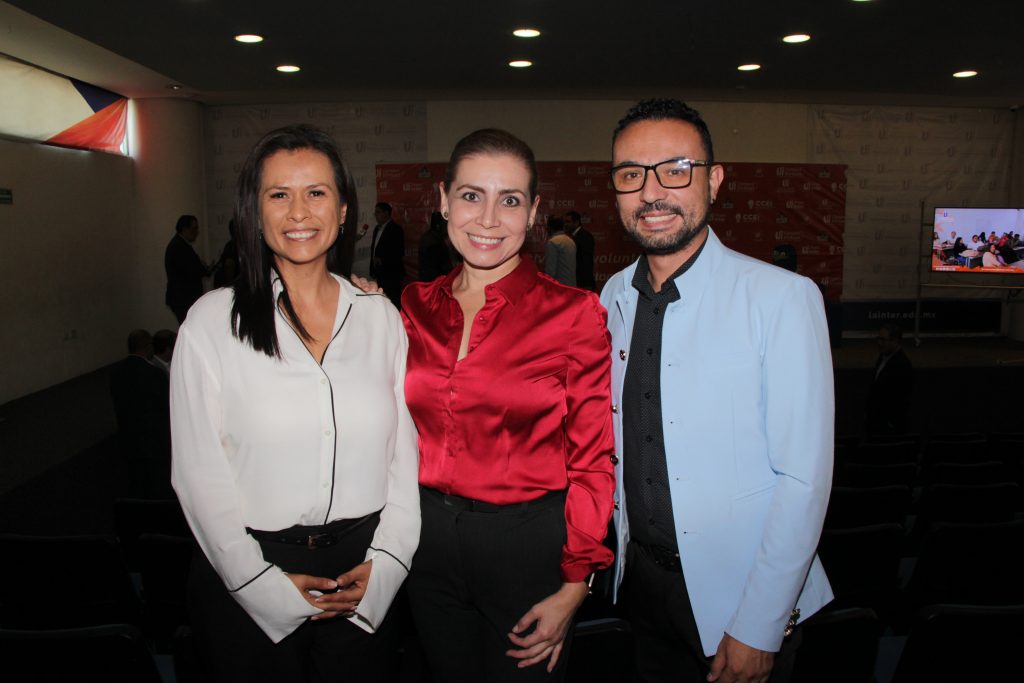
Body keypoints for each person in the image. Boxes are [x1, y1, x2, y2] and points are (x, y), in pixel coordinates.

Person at [170, 125, 420, 682]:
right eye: (278, 194)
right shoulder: (212, 323)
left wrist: (387, 566)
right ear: (253, 211)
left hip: (364, 568)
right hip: (249, 572)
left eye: (317, 192)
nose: (299, 211)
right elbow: (197, 475)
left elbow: (404, 460)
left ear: (343, 206)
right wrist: (260, 584)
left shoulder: (380, 317)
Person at [601, 99, 834, 683]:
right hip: (642, 589)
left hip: (744, 600)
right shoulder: (610, 296)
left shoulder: (781, 298)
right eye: (632, 174)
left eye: (676, 169)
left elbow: (804, 479)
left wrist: (759, 622)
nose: (652, 192)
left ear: (715, 180)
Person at [401, 129, 615, 682]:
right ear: (444, 200)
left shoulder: (574, 313)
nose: (489, 219)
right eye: (472, 196)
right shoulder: (411, 307)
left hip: (528, 548)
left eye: (510, 200)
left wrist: (576, 583)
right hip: (425, 544)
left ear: (534, 211)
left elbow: (593, 459)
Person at [865, 323, 913, 435]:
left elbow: (898, 399)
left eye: (883, 340)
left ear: (895, 341)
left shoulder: (902, 366)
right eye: (878, 339)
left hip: (888, 426)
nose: (879, 343)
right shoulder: (883, 357)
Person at [164, 214, 209, 324]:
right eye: (194, 228)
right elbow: (191, 270)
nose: (197, 232)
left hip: (182, 297)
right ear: (185, 229)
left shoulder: (180, 245)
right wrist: (203, 269)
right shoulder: (179, 247)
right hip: (183, 298)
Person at [368, 201, 406, 307]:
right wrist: (372, 268)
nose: (376, 215)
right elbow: (374, 249)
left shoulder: (396, 229)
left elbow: (399, 252)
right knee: (381, 301)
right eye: (375, 213)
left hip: (392, 274)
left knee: (393, 302)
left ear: (386, 213)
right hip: (379, 273)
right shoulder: (376, 229)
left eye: (378, 212)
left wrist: (382, 260)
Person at [417, 210, 454, 281]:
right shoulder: (434, 240)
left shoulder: (429, 237)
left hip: (430, 278)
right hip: (435, 280)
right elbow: (442, 264)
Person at [565, 211, 596, 291]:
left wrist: (586, 284)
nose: (566, 225)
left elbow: (586, 262)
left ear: (576, 222)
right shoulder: (573, 237)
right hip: (577, 282)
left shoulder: (585, 236)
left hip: (583, 283)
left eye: (568, 222)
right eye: (565, 222)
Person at [543, 216, 577, 286]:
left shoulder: (553, 242)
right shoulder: (571, 241)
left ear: (550, 228)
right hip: (572, 286)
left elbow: (550, 272)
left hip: (559, 288)